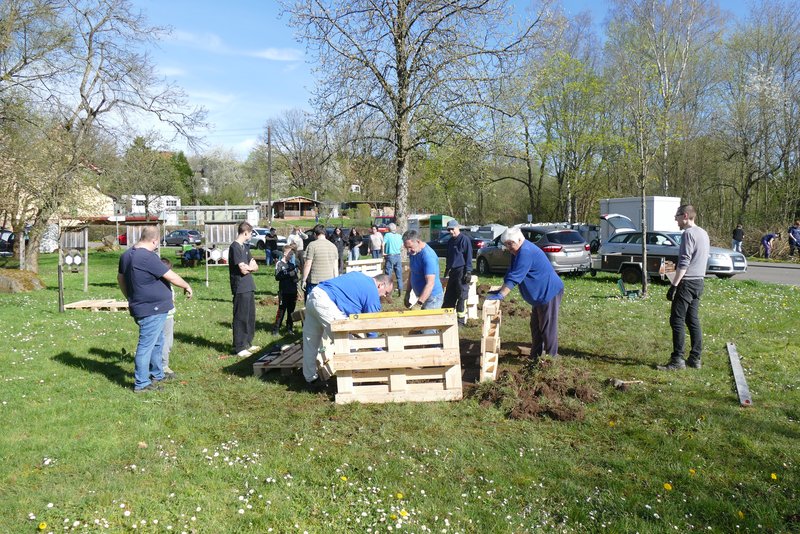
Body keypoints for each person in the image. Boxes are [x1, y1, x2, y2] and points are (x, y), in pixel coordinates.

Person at [117, 226, 192, 393]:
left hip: (146, 307)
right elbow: (170, 275)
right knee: (146, 346)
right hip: (151, 309)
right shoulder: (147, 257)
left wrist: (129, 296)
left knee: (158, 342)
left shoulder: (126, 255)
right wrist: (187, 285)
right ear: (154, 240)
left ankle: (158, 374)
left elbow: (120, 279)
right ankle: (142, 383)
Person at [302, 273, 394, 390]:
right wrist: (377, 348)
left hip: (314, 295)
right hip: (325, 302)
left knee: (311, 342)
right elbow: (371, 324)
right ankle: (354, 378)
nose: (385, 296)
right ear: (381, 285)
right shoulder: (372, 292)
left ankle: (310, 379)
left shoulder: (360, 276)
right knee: (347, 341)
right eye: (386, 292)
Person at [485, 226, 563, 361]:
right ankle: (535, 356)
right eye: (506, 244)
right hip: (539, 295)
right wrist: (500, 289)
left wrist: (502, 295)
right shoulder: (518, 252)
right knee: (536, 326)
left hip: (548, 292)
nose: (508, 247)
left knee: (547, 327)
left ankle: (552, 359)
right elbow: (511, 271)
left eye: (510, 244)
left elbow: (515, 277)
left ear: (520, 239)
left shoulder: (525, 252)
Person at [658, 205, 710, 371]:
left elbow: (685, 262)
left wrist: (674, 285)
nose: (675, 219)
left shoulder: (688, 234)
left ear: (685, 216)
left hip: (687, 282)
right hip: (699, 282)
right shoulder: (703, 233)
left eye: (677, 216)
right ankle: (695, 358)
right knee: (692, 319)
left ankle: (677, 361)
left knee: (677, 320)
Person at [229, 222, 260, 357]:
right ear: (245, 232)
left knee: (250, 316)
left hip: (249, 286)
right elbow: (242, 269)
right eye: (251, 233)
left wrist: (250, 267)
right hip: (240, 287)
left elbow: (255, 266)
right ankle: (239, 346)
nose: (251, 235)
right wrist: (249, 267)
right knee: (240, 316)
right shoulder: (235, 247)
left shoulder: (245, 247)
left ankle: (248, 343)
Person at [402, 229, 444, 310]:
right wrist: (407, 293)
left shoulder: (428, 256)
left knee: (428, 322)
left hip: (432, 298)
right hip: (421, 296)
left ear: (418, 241)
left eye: (410, 247)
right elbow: (412, 272)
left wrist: (419, 304)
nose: (408, 251)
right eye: (406, 248)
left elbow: (430, 283)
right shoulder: (414, 252)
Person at [442, 219, 473, 326]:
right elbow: (449, 256)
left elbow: (469, 256)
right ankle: (446, 319)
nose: (451, 232)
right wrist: (447, 269)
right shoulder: (450, 241)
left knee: (461, 296)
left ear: (457, 228)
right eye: (449, 230)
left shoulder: (464, 240)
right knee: (449, 296)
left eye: (452, 229)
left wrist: (468, 271)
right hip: (453, 271)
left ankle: (460, 321)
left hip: (462, 270)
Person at [302, 224, 339, 302]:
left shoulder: (312, 245)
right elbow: (335, 268)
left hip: (314, 282)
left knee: (312, 308)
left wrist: (304, 280)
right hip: (329, 282)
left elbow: (308, 264)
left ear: (315, 234)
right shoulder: (333, 246)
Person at [273, 244, 299, 335]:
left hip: (292, 291)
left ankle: (289, 328)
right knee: (281, 310)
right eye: (290, 254)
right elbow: (277, 277)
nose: (291, 256)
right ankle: (276, 329)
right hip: (284, 292)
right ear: (285, 253)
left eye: (292, 254)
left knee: (291, 311)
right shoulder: (279, 264)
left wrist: (295, 277)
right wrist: (288, 274)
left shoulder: (292, 265)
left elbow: (296, 279)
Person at [159, 258, 178, 380]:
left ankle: (161, 363)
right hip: (165, 316)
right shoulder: (162, 285)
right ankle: (163, 366)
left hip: (169, 316)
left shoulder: (166, 284)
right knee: (165, 342)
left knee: (168, 342)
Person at [382, 223, 403, 297]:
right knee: (399, 274)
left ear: (389, 229)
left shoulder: (387, 235)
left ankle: (389, 292)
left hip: (390, 256)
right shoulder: (399, 236)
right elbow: (401, 246)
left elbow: (383, 244)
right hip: (398, 256)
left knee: (388, 275)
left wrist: (383, 252)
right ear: (395, 228)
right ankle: (400, 291)